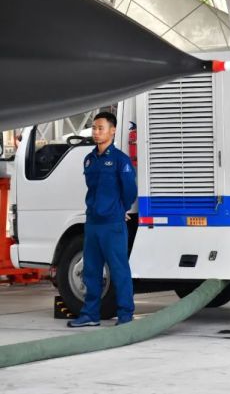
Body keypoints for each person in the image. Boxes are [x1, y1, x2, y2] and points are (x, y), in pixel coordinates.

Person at [67, 112, 137, 327]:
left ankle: (125, 314)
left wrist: (120, 209)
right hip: (93, 222)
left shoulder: (120, 160)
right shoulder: (89, 160)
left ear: (112, 130)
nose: (96, 132)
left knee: (118, 269)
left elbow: (130, 190)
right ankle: (90, 314)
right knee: (91, 270)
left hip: (112, 223)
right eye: (94, 128)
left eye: (101, 128)